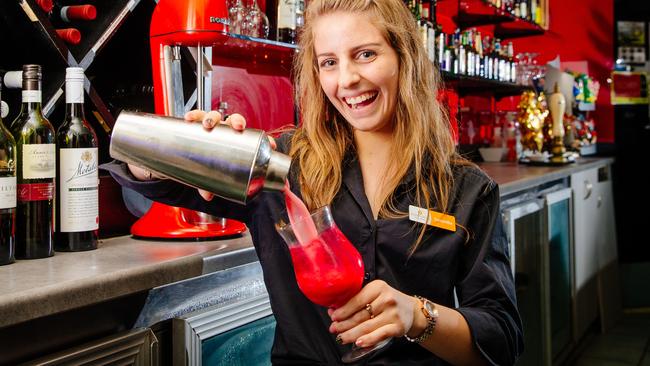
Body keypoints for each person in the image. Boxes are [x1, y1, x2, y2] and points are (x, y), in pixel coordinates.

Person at [105, 0, 523, 364]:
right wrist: (186, 146)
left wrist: (418, 316)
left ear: (403, 58)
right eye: (329, 62)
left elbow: (501, 339)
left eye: (365, 54)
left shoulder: (468, 190)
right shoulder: (282, 163)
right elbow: (149, 180)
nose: (347, 80)